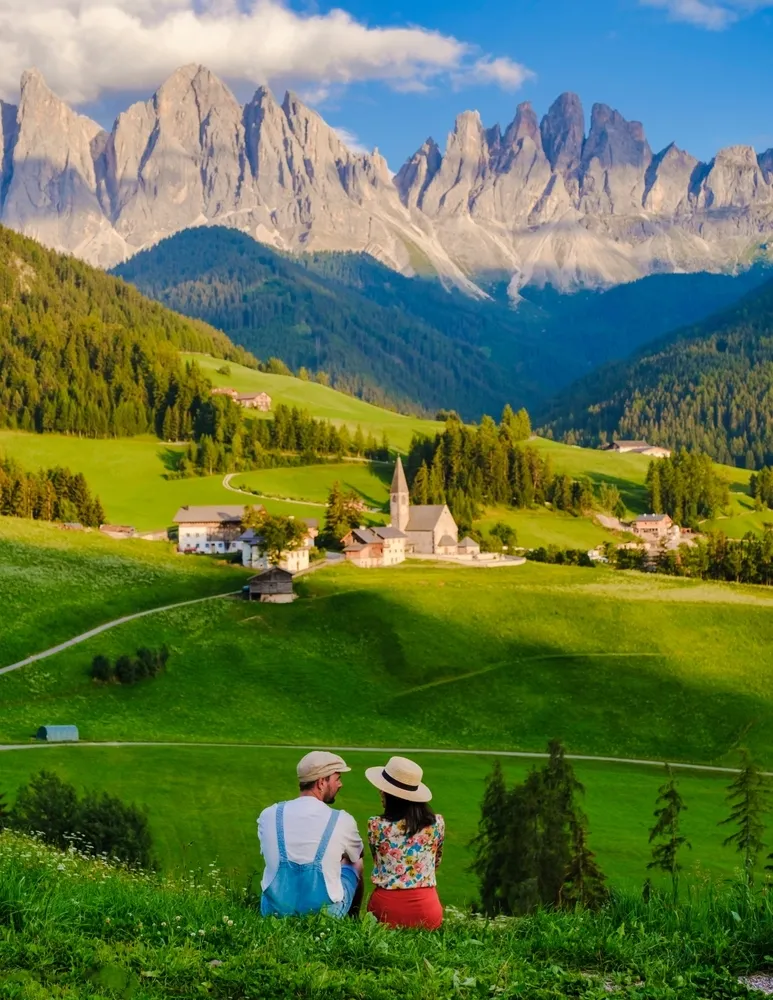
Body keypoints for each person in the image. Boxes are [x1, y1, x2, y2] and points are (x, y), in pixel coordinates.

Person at [257, 750, 364, 918]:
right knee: (355, 862)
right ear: (321, 782)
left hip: (274, 912)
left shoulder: (269, 814)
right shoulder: (342, 819)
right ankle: (354, 920)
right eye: (337, 779)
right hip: (325, 914)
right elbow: (357, 855)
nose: (340, 785)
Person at [365, 755, 445, 930]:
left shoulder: (376, 825)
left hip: (387, 910)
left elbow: (379, 863)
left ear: (390, 794)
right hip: (427, 910)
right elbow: (436, 862)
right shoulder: (437, 823)